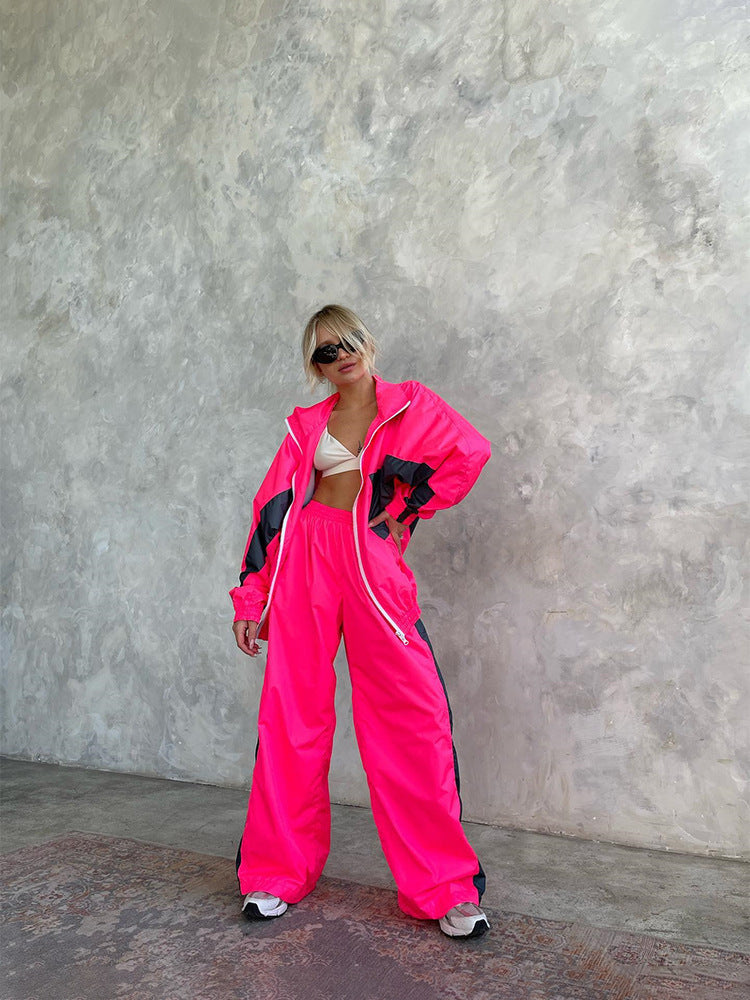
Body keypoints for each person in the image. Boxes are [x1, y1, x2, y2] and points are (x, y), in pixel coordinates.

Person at [229, 304, 493, 939]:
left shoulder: (409, 406)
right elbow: (273, 510)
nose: (340, 355)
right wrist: (251, 599)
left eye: (347, 341)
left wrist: (408, 510)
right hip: (306, 563)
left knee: (412, 722)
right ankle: (274, 873)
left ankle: (445, 888)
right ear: (315, 366)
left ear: (367, 343)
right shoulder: (306, 426)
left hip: (371, 564)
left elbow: (470, 452)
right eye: (325, 351)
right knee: (291, 717)